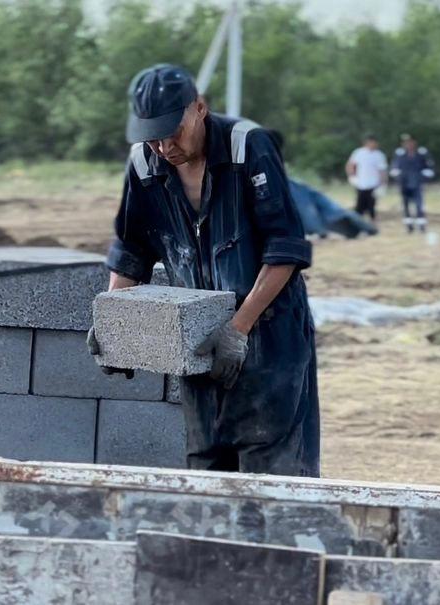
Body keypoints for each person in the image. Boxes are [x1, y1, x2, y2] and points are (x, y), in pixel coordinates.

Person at [87, 64, 320, 477]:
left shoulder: (247, 147)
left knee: (272, 476)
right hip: (197, 347)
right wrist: (116, 321)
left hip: (270, 337)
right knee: (206, 471)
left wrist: (238, 329)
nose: (163, 147)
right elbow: (131, 250)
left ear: (199, 109)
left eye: (172, 132)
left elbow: (284, 249)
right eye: (152, 136)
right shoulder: (144, 165)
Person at [390, 134, 435, 233]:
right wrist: (397, 176)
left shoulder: (421, 154)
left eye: (410, 142)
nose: (408, 144)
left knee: (419, 204)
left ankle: (421, 225)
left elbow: (429, 167)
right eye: (406, 142)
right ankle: (409, 226)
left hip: (417, 183)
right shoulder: (400, 155)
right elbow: (394, 168)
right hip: (404, 183)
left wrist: (425, 176)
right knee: (405, 205)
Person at [345, 134, 388, 221]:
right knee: (359, 205)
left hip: (373, 184)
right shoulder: (359, 152)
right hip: (361, 183)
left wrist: (383, 184)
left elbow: (382, 171)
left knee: (371, 205)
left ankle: (372, 223)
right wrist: (351, 176)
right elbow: (350, 165)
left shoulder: (379, 155)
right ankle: (357, 223)